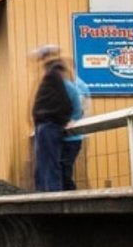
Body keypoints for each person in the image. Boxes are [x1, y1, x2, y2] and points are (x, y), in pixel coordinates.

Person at [31, 45, 73, 191]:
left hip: (48, 122)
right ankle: (46, 195)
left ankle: (50, 197)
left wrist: (57, 117)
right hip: (47, 122)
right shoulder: (54, 75)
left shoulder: (53, 76)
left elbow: (67, 101)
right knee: (46, 165)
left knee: (48, 164)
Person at [61, 74, 90, 190]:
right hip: (67, 135)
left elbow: (81, 109)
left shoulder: (76, 85)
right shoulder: (74, 83)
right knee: (62, 169)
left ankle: (69, 197)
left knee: (64, 169)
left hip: (72, 136)